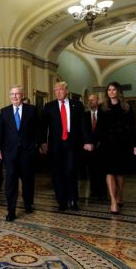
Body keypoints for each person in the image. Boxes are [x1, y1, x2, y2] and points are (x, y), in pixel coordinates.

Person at [39, 82, 93, 212]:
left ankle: (73, 200)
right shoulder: (49, 106)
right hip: (55, 145)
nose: (58, 92)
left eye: (60, 89)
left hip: (72, 144)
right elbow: (43, 127)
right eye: (55, 90)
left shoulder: (77, 105)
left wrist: (87, 141)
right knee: (58, 174)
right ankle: (61, 201)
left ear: (66, 90)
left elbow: (83, 125)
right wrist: (43, 143)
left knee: (71, 172)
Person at [0, 85, 37, 221]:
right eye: (12, 94)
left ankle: (28, 203)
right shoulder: (4, 111)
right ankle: (11, 210)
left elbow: (37, 130)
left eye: (17, 94)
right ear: (9, 96)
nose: (14, 96)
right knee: (11, 182)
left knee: (27, 180)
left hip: (26, 152)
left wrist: (34, 146)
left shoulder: (31, 110)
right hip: (10, 153)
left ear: (22, 95)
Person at [97, 82, 136, 214]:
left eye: (114, 89)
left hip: (123, 144)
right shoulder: (102, 108)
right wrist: (91, 142)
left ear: (118, 92)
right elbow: (99, 127)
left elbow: (132, 128)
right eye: (109, 90)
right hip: (107, 145)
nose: (111, 92)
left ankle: (120, 195)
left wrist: (135, 144)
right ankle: (113, 201)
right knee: (109, 172)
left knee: (120, 173)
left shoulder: (127, 107)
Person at [84, 94, 106, 199]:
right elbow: (84, 131)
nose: (90, 101)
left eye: (93, 99)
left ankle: (103, 191)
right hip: (90, 148)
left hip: (102, 147)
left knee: (102, 170)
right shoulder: (85, 115)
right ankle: (93, 191)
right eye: (89, 100)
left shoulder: (104, 114)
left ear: (98, 100)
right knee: (92, 170)